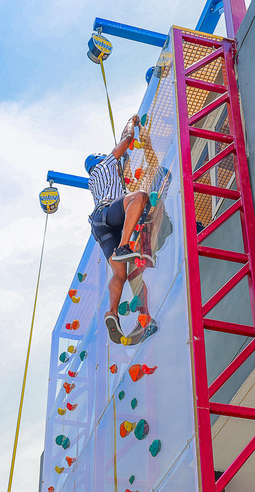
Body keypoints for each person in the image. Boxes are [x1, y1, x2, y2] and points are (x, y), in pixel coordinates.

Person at [86, 115, 149, 343]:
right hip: (108, 213)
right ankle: (124, 247)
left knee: (119, 273)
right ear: (101, 160)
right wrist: (131, 122)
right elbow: (126, 139)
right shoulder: (107, 163)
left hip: (98, 226)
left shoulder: (93, 182)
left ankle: (112, 312)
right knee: (139, 197)